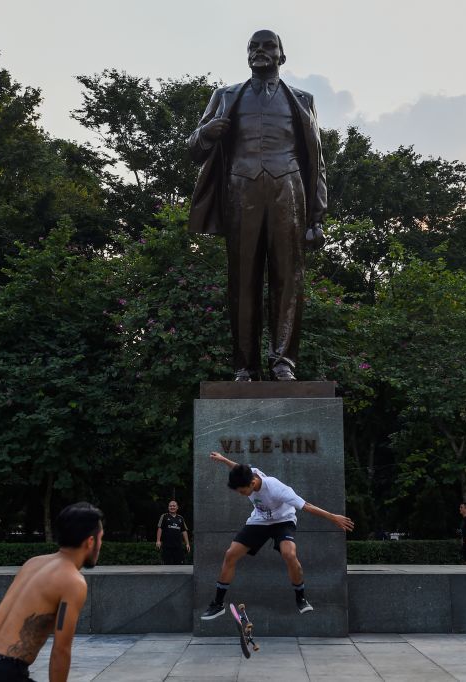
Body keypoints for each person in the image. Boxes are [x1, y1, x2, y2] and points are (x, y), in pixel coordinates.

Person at [188, 29, 328, 382]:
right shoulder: (225, 96)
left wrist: (317, 217)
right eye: (254, 47)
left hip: (289, 193)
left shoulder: (303, 99)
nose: (260, 52)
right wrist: (207, 133)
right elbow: (193, 149)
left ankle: (283, 363)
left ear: (282, 56)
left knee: (288, 280)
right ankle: (244, 366)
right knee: (242, 281)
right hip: (240, 194)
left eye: (268, 47)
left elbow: (317, 162)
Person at [0, 503, 103, 682]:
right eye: (101, 538)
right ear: (90, 541)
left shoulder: (33, 563)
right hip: (1, 672)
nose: (101, 544)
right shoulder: (73, 581)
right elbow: (61, 650)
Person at [201, 451, 353, 619]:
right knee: (230, 554)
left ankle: (301, 598)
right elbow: (237, 467)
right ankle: (218, 603)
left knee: (289, 554)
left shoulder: (276, 488)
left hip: (283, 521)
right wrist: (223, 460)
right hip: (259, 520)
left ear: (252, 483)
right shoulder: (249, 474)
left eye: (243, 491)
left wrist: (333, 517)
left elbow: (306, 505)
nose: (241, 494)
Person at [155, 500, 191, 565]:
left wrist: (187, 544)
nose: (172, 507)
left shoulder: (181, 518)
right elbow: (160, 528)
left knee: (179, 565)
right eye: (170, 506)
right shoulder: (164, 516)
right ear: (168, 507)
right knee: (167, 564)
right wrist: (158, 540)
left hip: (178, 546)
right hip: (167, 546)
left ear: (177, 507)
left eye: (174, 506)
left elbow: (184, 531)